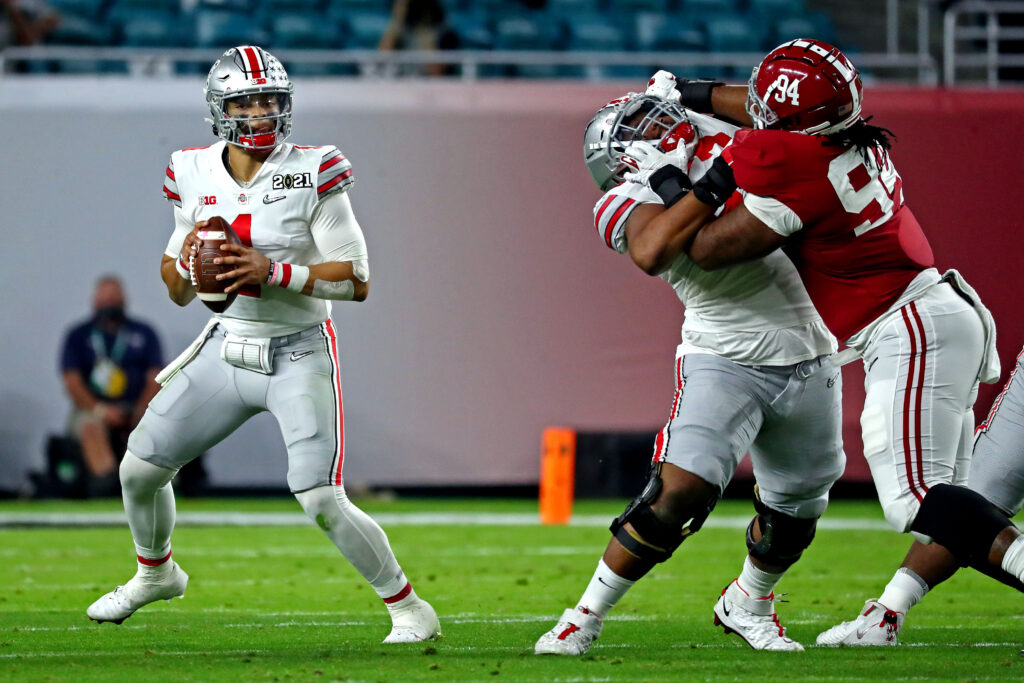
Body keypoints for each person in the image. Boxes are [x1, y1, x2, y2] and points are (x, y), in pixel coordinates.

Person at [632, 39, 1024, 647]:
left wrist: (670, 178)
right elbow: (760, 110)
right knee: (953, 504)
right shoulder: (834, 133)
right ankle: (884, 618)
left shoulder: (790, 159)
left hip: (909, 326)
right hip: (941, 314)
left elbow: (705, 249)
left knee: (914, 502)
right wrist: (684, 91)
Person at [85, 45, 441, 644]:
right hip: (227, 346)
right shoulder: (191, 170)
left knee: (320, 497)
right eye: (246, 101)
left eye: (271, 100)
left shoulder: (314, 169)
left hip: (297, 349)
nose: (261, 113)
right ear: (219, 109)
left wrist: (271, 272)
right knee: (140, 470)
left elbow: (356, 279)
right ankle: (157, 572)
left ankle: (409, 608)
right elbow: (176, 290)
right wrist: (194, 266)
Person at [534, 91, 846, 654]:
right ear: (621, 159)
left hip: (812, 350)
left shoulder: (721, 142)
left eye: (655, 115)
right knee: (678, 491)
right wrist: (708, 183)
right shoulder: (623, 201)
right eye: (639, 130)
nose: (658, 129)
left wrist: (696, 91)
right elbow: (654, 249)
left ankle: (750, 603)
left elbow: (777, 112)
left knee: (797, 510)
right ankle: (584, 615)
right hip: (723, 356)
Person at [59, 275, 163, 497]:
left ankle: (140, 484)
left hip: (137, 406)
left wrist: (140, 410)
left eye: (115, 299)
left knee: (152, 427)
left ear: (124, 301)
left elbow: (156, 377)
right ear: (94, 302)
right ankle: (106, 483)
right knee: (89, 427)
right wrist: (100, 410)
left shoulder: (144, 333)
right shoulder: (79, 335)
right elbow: (72, 382)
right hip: (93, 408)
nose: (110, 305)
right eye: (105, 300)